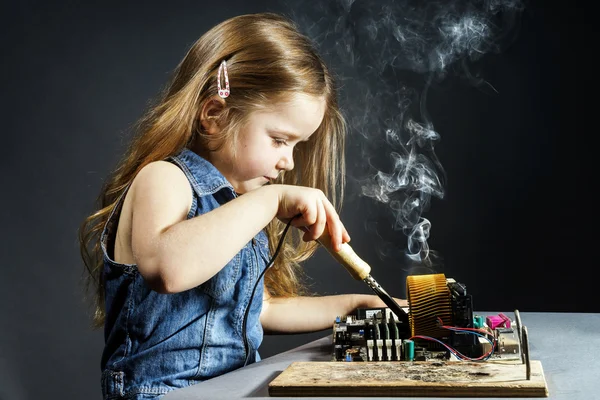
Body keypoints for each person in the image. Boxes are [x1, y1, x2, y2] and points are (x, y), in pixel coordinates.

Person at [79, 12, 406, 400]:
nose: (288, 162)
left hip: (230, 390)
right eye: (280, 140)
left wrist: (356, 305)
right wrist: (270, 200)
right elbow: (167, 268)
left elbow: (259, 309)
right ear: (215, 115)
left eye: (297, 146)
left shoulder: (242, 204)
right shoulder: (164, 178)